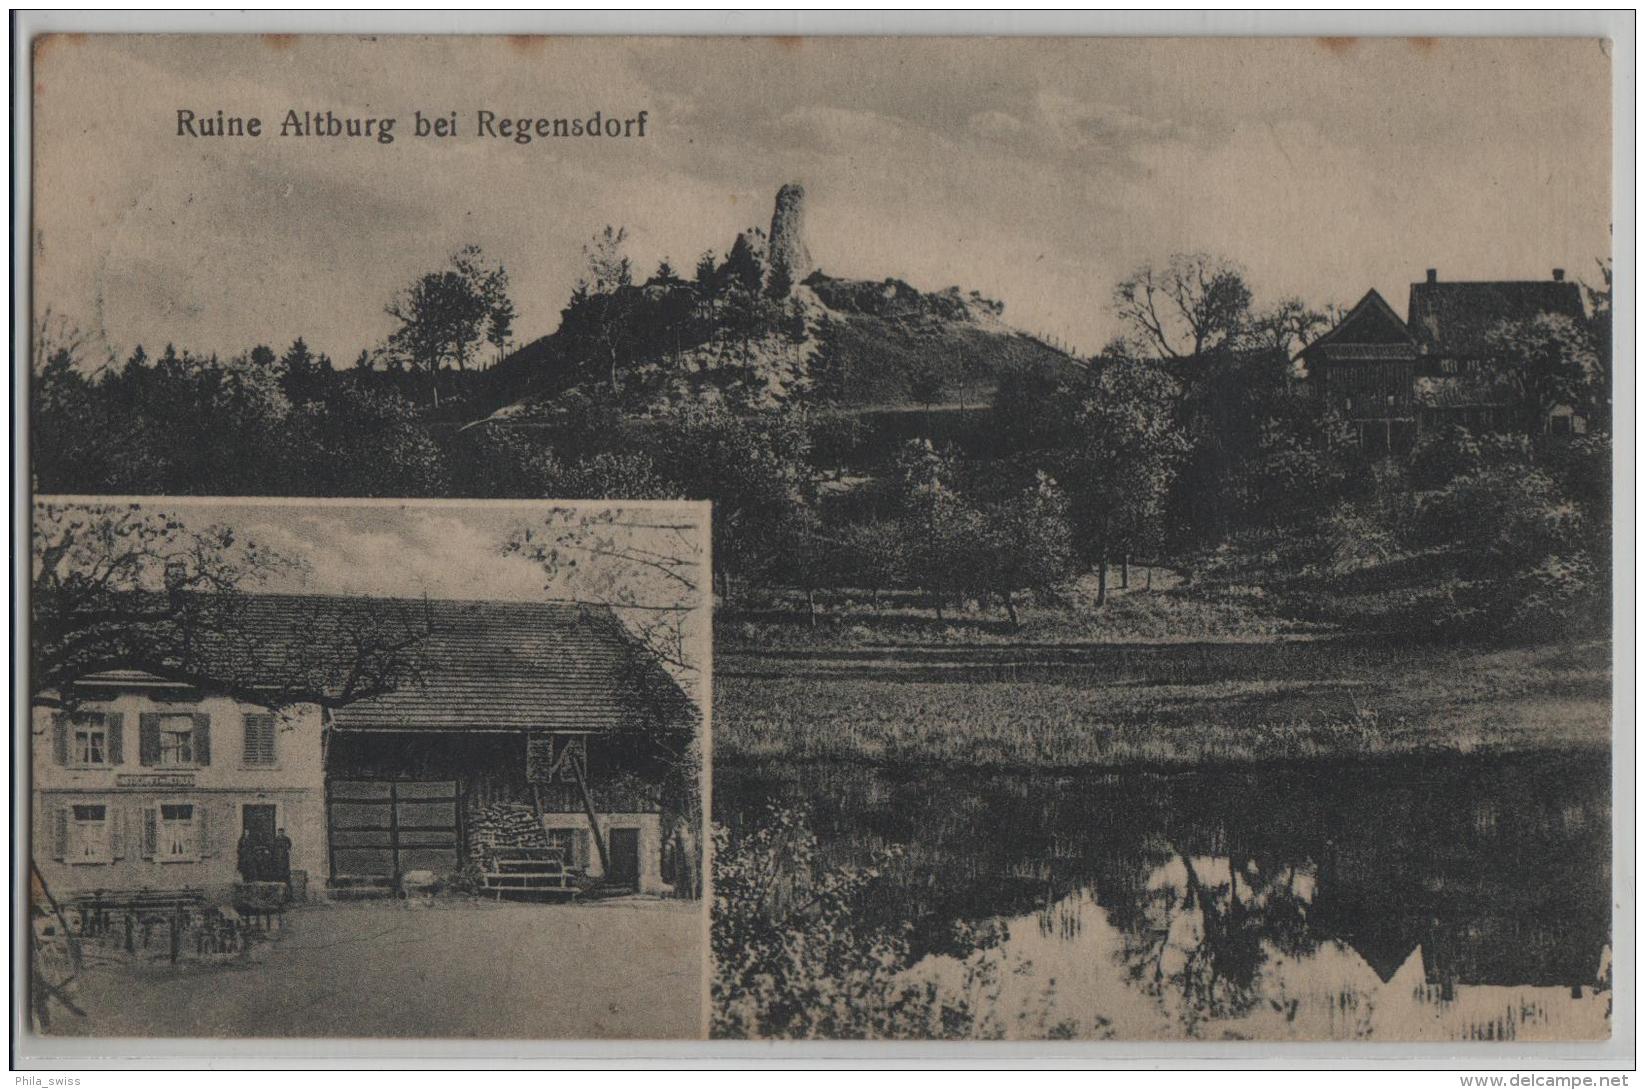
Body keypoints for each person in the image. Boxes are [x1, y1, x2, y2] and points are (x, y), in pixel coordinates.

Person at [271, 828, 293, 894]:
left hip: (284, 858)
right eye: (279, 832)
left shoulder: (286, 839)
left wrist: (287, 850)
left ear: (283, 832)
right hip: (278, 859)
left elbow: (289, 845)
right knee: (278, 872)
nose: (280, 833)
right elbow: (273, 847)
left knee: (285, 873)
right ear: (278, 832)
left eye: (281, 832)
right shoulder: (276, 839)